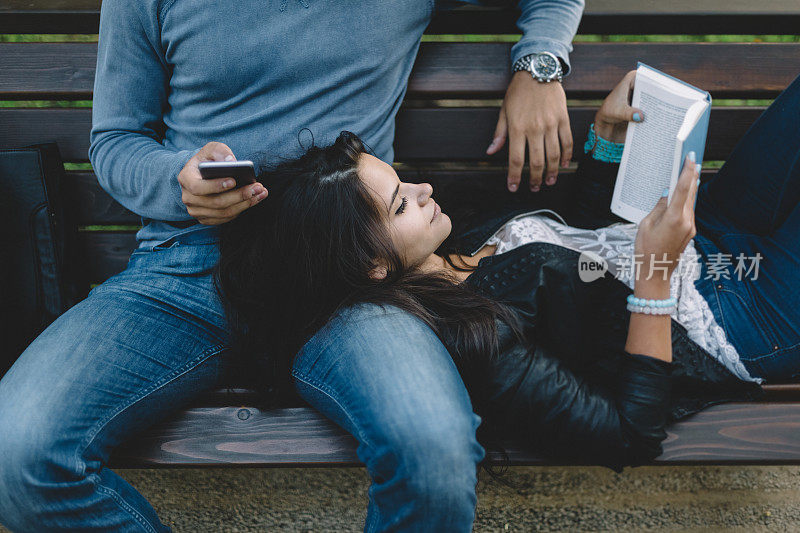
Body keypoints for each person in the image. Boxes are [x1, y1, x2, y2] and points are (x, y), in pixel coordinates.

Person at [0, 1, 586, 532]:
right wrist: (177, 181)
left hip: (346, 279)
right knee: (17, 456)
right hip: (187, 267)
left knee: (431, 452)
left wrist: (539, 67)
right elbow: (116, 140)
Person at [216, 70, 800, 476]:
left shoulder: (445, 249)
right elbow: (630, 434)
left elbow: (584, 248)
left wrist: (608, 140)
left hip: (704, 230)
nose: (421, 189)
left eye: (402, 180)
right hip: (735, 317)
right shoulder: (481, 342)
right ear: (371, 265)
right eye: (401, 203)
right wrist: (654, 273)